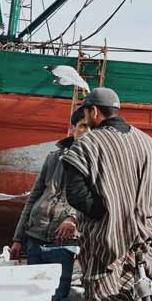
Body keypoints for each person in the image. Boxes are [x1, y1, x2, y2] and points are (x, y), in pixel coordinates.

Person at [61, 87, 152, 300]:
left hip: (104, 246)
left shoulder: (88, 144)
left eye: (86, 112)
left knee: (103, 294)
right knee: (135, 291)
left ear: (94, 111)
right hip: (140, 240)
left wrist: (106, 215)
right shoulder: (149, 143)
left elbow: (76, 194)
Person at [10, 106, 88, 301]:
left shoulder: (96, 163)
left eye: (90, 128)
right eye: (82, 126)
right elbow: (33, 198)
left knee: (57, 295)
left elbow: (94, 200)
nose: (86, 132)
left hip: (62, 243)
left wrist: (72, 217)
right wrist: (18, 239)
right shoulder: (53, 158)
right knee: (31, 295)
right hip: (34, 237)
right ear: (72, 129)